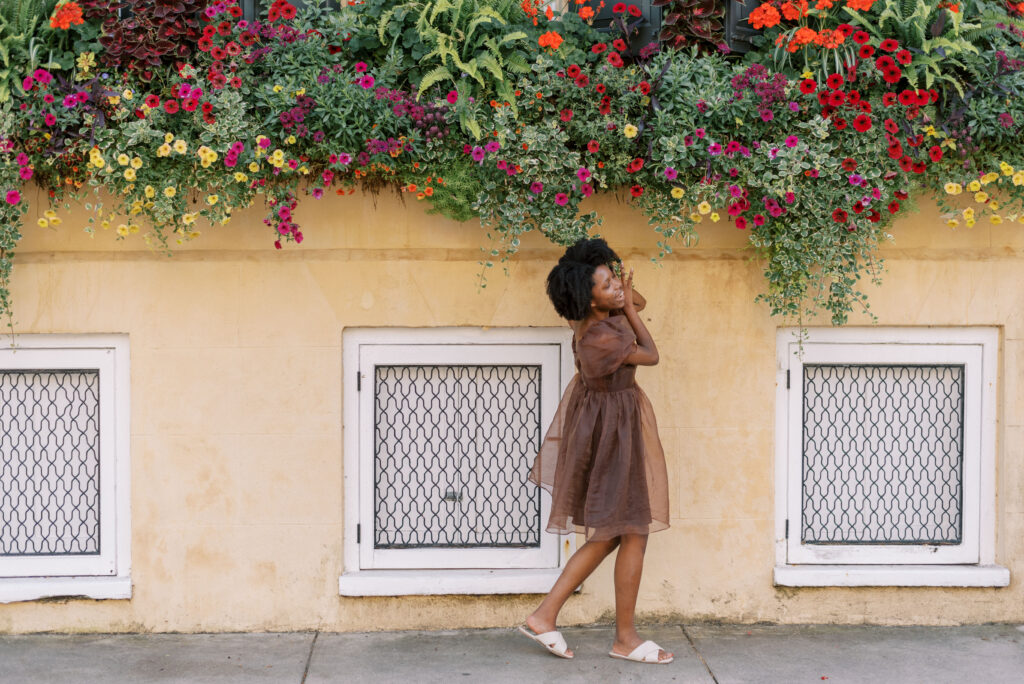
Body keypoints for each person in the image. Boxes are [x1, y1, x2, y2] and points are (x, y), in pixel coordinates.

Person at [518, 238, 672, 665]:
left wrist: (620, 291)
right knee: (631, 530)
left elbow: (632, 297)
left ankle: (545, 616)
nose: (616, 288)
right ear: (589, 300)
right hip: (611, 436)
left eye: (611, 278)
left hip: (612, 427)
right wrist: (632, 311)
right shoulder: (598, 337)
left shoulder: (597, 314)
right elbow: (652, 355)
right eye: (605, 284)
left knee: (612, 534)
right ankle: (623, 637)